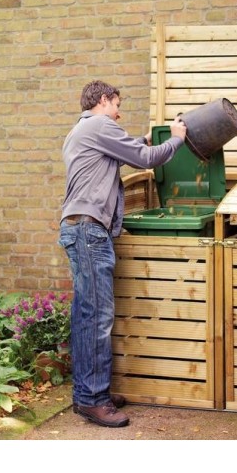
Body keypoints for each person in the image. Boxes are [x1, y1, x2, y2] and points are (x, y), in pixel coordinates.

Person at [58, 80, 186, 428]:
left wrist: (145, 138)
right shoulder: (101, 125)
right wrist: (176, 137)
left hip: (79, 229)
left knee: (88, 318)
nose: (120, 111)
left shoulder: (81, 131)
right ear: (102, 100)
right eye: (117, 104)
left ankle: (89, 394)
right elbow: (144, 159)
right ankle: (92, 400)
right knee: (96, 318)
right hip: (88, 231)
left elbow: (128, 149)